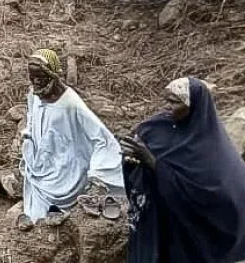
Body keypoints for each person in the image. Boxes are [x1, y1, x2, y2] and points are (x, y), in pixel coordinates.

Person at [121, 77, 245, 263]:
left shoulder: (210, 148)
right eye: (167, 100)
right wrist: (131, 158)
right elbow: (138, 151)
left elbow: (215, 197)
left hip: (192, 232)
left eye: (175, 102)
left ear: (193, 106)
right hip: (160, 221)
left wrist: (152, 161)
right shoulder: (157, 126)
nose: (167, 106)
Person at [20, 49, 124, 224]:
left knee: (57, 201)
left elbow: (101, 138)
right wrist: (28, 136)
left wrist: (97, 174)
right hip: (42, 163)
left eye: (40, 77)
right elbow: (32, 116)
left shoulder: (71, 103)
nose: (36, 82)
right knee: (36, 214)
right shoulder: (34, 94)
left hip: (68, 168)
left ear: (52, 75)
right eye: (32, 77)